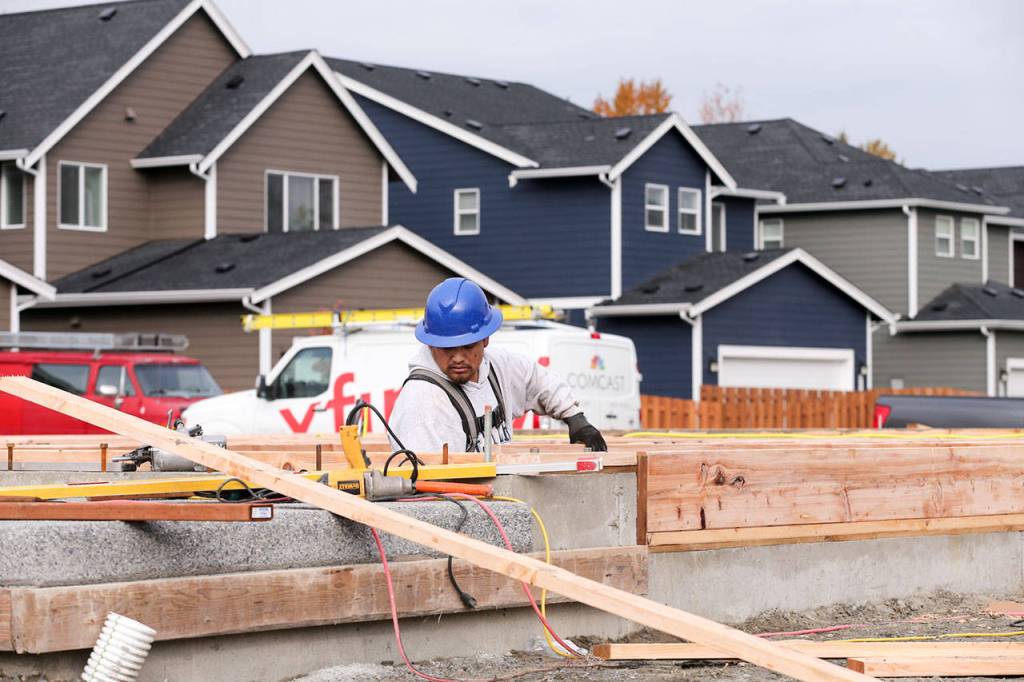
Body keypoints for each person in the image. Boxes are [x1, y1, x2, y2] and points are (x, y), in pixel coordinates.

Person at [388, 278, 607, 454]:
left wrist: (575, 418)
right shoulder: (423, 404)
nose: (457, 358)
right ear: (431, 344)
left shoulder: (498, 367)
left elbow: (538, 381)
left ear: (485, 339)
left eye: (466, 346)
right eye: (447, 348)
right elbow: (429, 493)